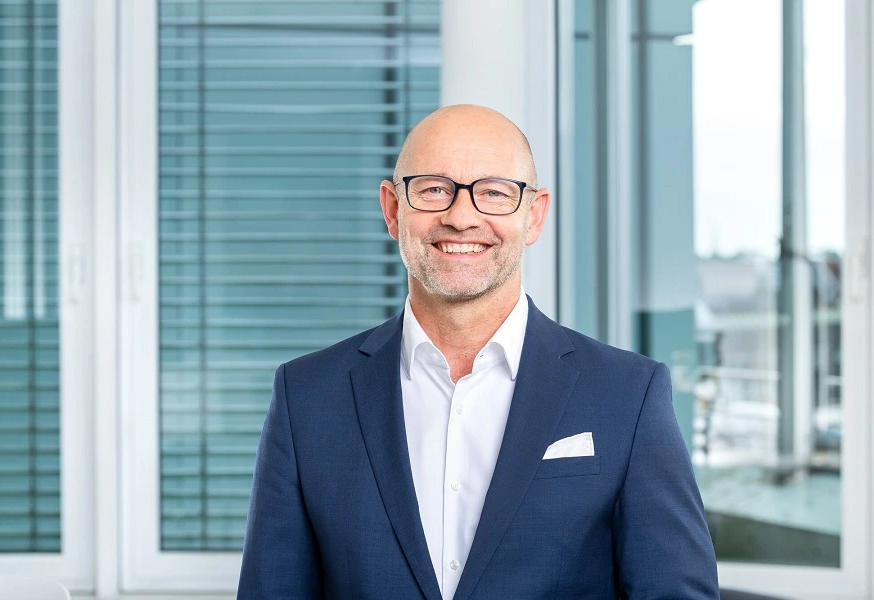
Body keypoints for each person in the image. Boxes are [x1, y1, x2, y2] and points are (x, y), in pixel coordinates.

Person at [237, 105, 719, 599]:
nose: (461, 217)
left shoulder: (628, 394)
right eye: (432, 189)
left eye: (493, 192)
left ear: (533, 216)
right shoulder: (307, 397)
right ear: (392, 209)